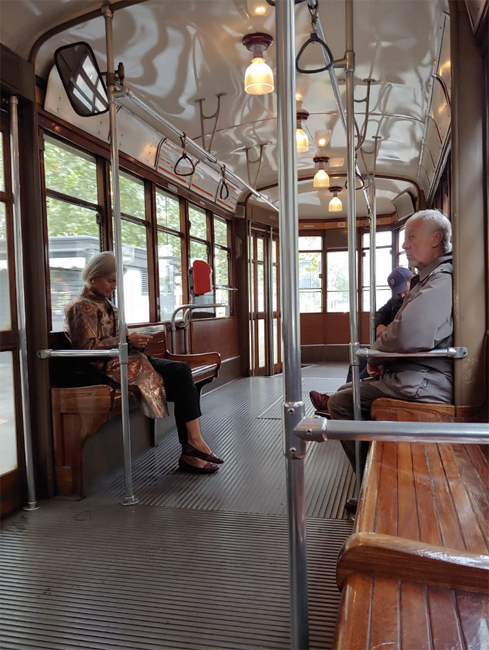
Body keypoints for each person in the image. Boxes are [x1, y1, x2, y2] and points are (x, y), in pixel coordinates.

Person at [323, 209, 453, 480]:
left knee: (342, 403)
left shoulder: (441, 280)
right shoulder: (428, 279)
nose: (404, 244)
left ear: (436, 239)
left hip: (425, 382)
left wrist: (376, 357)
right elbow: (395, 325)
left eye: (411, 237)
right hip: (417, 375)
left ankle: (371, 482)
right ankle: (379, 473)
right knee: (348, 390)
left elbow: (407, 333)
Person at [64, 251, 222, 474]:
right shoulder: (81, 307)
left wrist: (133, 342)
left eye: (117, 280)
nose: (115, 286)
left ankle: (193, 445)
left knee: (182, 373)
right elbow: (86, 349)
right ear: (94, 277)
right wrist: (128, 341)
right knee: (181, 378)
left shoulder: (110, 306)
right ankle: (192, 450)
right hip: (106, 367)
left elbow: (121, 341)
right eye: (111, 280)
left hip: (129, 360)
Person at [310, 266, 413, 410]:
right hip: (387, 348)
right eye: (398, 291)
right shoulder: (397, 300)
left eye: (404, 289)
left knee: (368, 369)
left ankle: (338, 401)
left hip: (396, 352)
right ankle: (344, 398)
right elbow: (380, 313)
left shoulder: (418, 301)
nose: (402, 294)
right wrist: (380, 325)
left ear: (412, 280)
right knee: (358, 359)